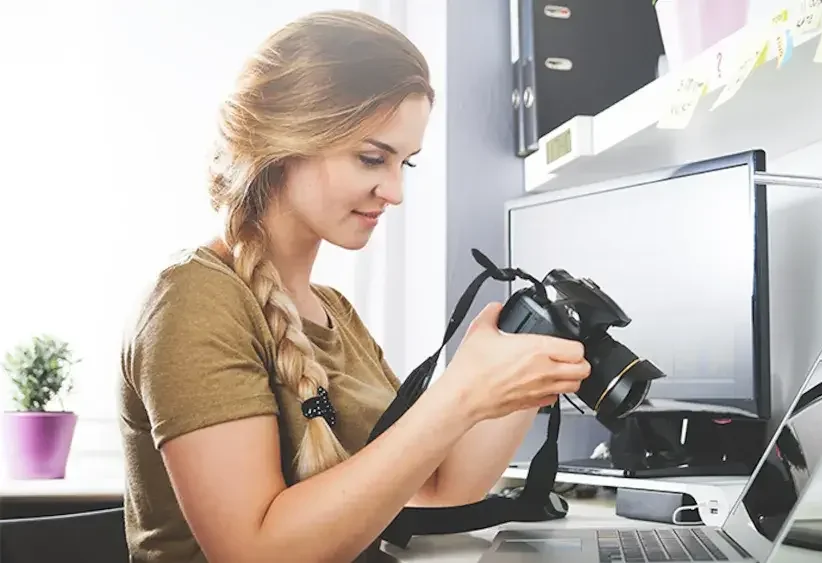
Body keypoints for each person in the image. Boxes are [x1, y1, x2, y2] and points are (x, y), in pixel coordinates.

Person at [116, 9, 591, 563]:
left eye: (404, 165)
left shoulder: (332, 311)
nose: (394, 192)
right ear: (285, 139)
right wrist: (458, 395)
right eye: (372, 158)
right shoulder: (192, 302)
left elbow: (440, 491)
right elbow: (254, 552)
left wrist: (513, 376)